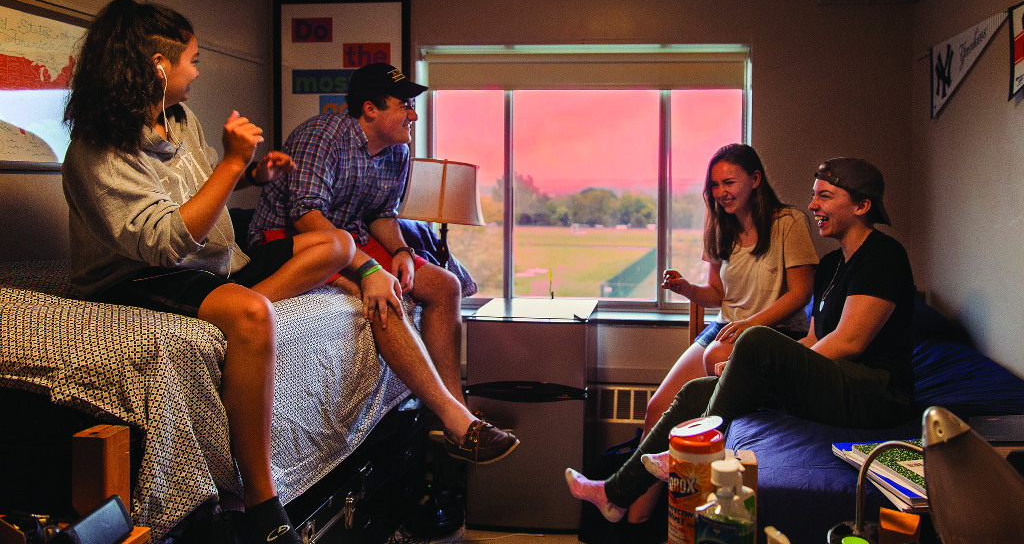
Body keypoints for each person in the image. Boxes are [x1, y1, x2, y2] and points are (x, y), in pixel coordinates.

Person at [61, 0, 359, 544]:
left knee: (337, 244)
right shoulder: (98, 148)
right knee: (250, 315)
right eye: (192, 60)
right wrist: (232, 161)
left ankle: (248, 305)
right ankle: (263, 507)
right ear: (157, 66)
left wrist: (252, 175)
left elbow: (201, 193)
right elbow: (164, 242)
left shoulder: (180, 119)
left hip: (212, 262)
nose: (197, 72)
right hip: (138, 273)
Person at [566, 157, 917, 523]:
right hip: (836, 382)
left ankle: (690, 451)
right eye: (814, 196)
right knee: (696, 391)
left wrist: (770, 365)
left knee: (755, 340)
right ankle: (614, 494)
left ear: (862, 206)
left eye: (825, 197)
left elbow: (848, 342)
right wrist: (748, 371)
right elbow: (815, 337)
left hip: (875, 393)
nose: (813, 205)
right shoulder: (832, 265)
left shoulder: (883, 255)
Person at [248, 62, 518, 464]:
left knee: (445, 285)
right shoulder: (320, 136)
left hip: (348, 238)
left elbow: (381, 214)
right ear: (370, 109)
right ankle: (457, 420)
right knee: (384, 296)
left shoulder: (398, 152)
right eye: (404, 106)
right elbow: (307, 216)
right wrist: (369, 271)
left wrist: (401, 252)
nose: (413, 115)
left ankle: (455, 417)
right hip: (292, 240)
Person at [627, 143, 818, 525]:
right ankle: (634, 519)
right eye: (714, 185)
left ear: (755, 179)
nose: (721, 192)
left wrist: (751, 324)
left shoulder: (788, 221)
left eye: (729, 182)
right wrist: (685, 288)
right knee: (656, 407)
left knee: (707, 388)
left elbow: (801, 293)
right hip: (725, 326)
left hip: (773, 332)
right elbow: (716, 294)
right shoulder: (719, 226)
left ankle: (683, 509)